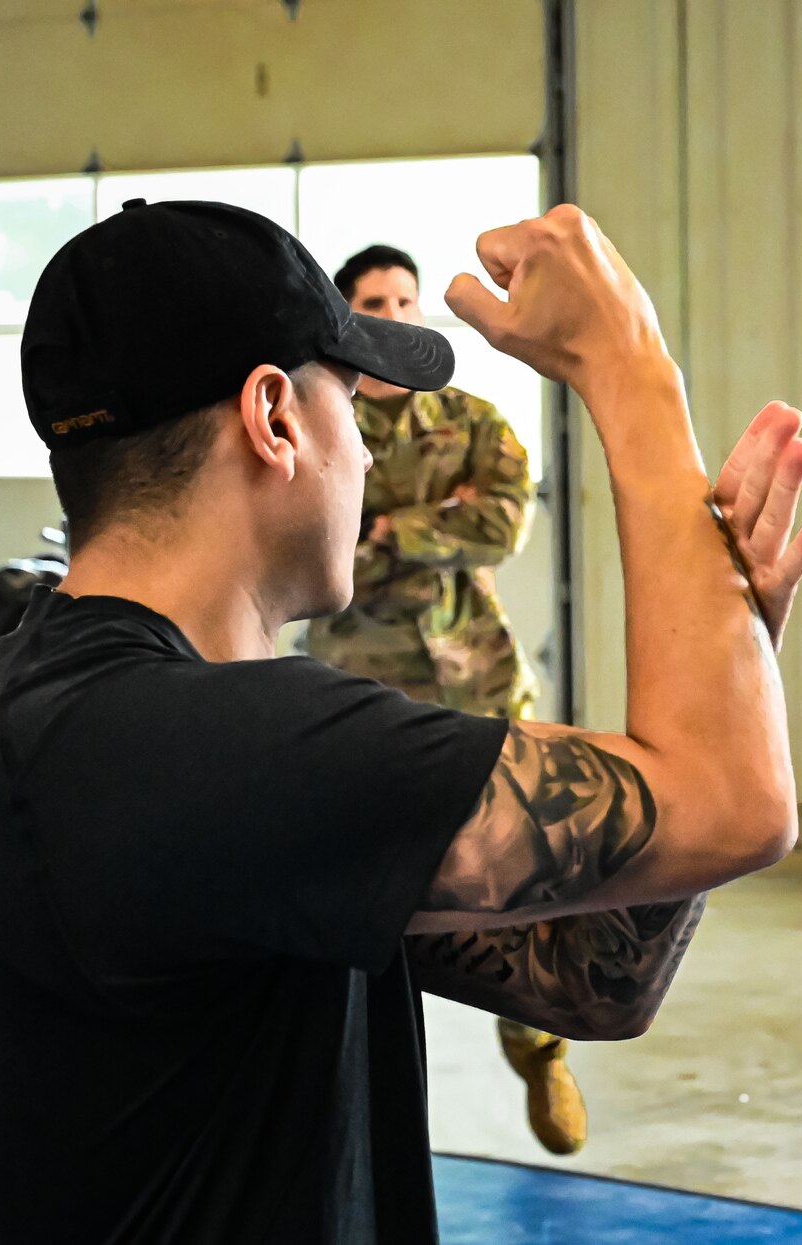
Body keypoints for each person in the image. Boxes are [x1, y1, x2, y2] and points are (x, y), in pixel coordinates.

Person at [0, 198, 802, 1243]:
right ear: (275, 418)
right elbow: (732, 806)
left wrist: (732, 641)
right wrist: (628, 367)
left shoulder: (75, 704)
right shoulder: (193, 748)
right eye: (349, 398)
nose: (367, 449)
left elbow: (591, 981)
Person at [313, 243, 578, 1155]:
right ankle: (360, 1086)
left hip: (477, 679)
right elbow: (315, 549)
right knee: (366, 896)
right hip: (357, 687)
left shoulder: (471, 418)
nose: (397, 310)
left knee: (522, 873)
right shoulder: (321, 419)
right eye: (376, 300)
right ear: (353, 316)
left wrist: (384, 526)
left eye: (406, 297)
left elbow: (504, 519)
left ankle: (539, 1047)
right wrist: (430, 526)